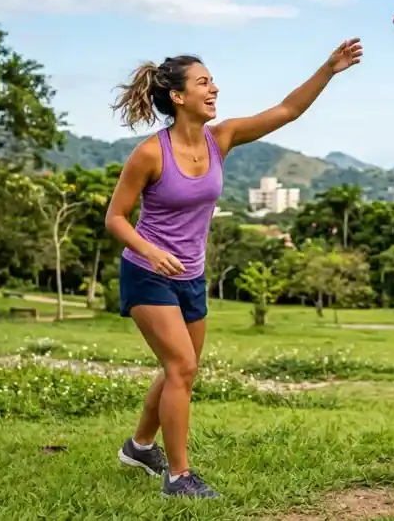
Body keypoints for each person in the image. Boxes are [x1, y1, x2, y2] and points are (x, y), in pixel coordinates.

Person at [104, 38, 363, 498]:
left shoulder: (220, 138)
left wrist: (329, 68)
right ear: (179, 97)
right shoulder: (150, 154)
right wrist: (149, 250)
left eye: (213, 81)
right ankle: (179, 478)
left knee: (178, 369)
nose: (214, 89)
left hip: (191, 276)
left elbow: (286, 111)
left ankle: (141, 446)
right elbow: (115, 218)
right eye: (204, 82)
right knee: (181, 366)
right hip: (147, 273)